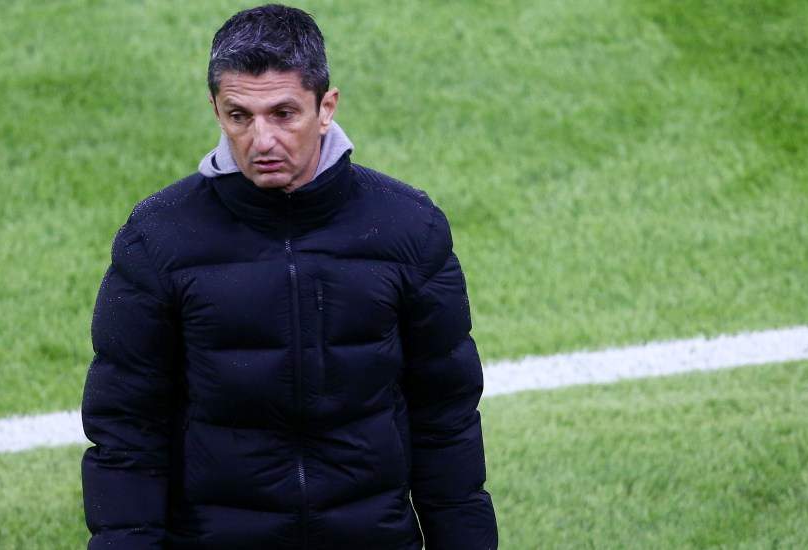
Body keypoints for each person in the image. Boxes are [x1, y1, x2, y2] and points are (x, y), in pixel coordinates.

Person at [81, 4, 497, 548]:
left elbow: (446, 417)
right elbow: (126, 432)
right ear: (215, 110)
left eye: (283, 114)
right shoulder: (157, 240)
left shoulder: (410, 229)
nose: (262, 140)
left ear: (326, 107)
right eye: (239, 116)